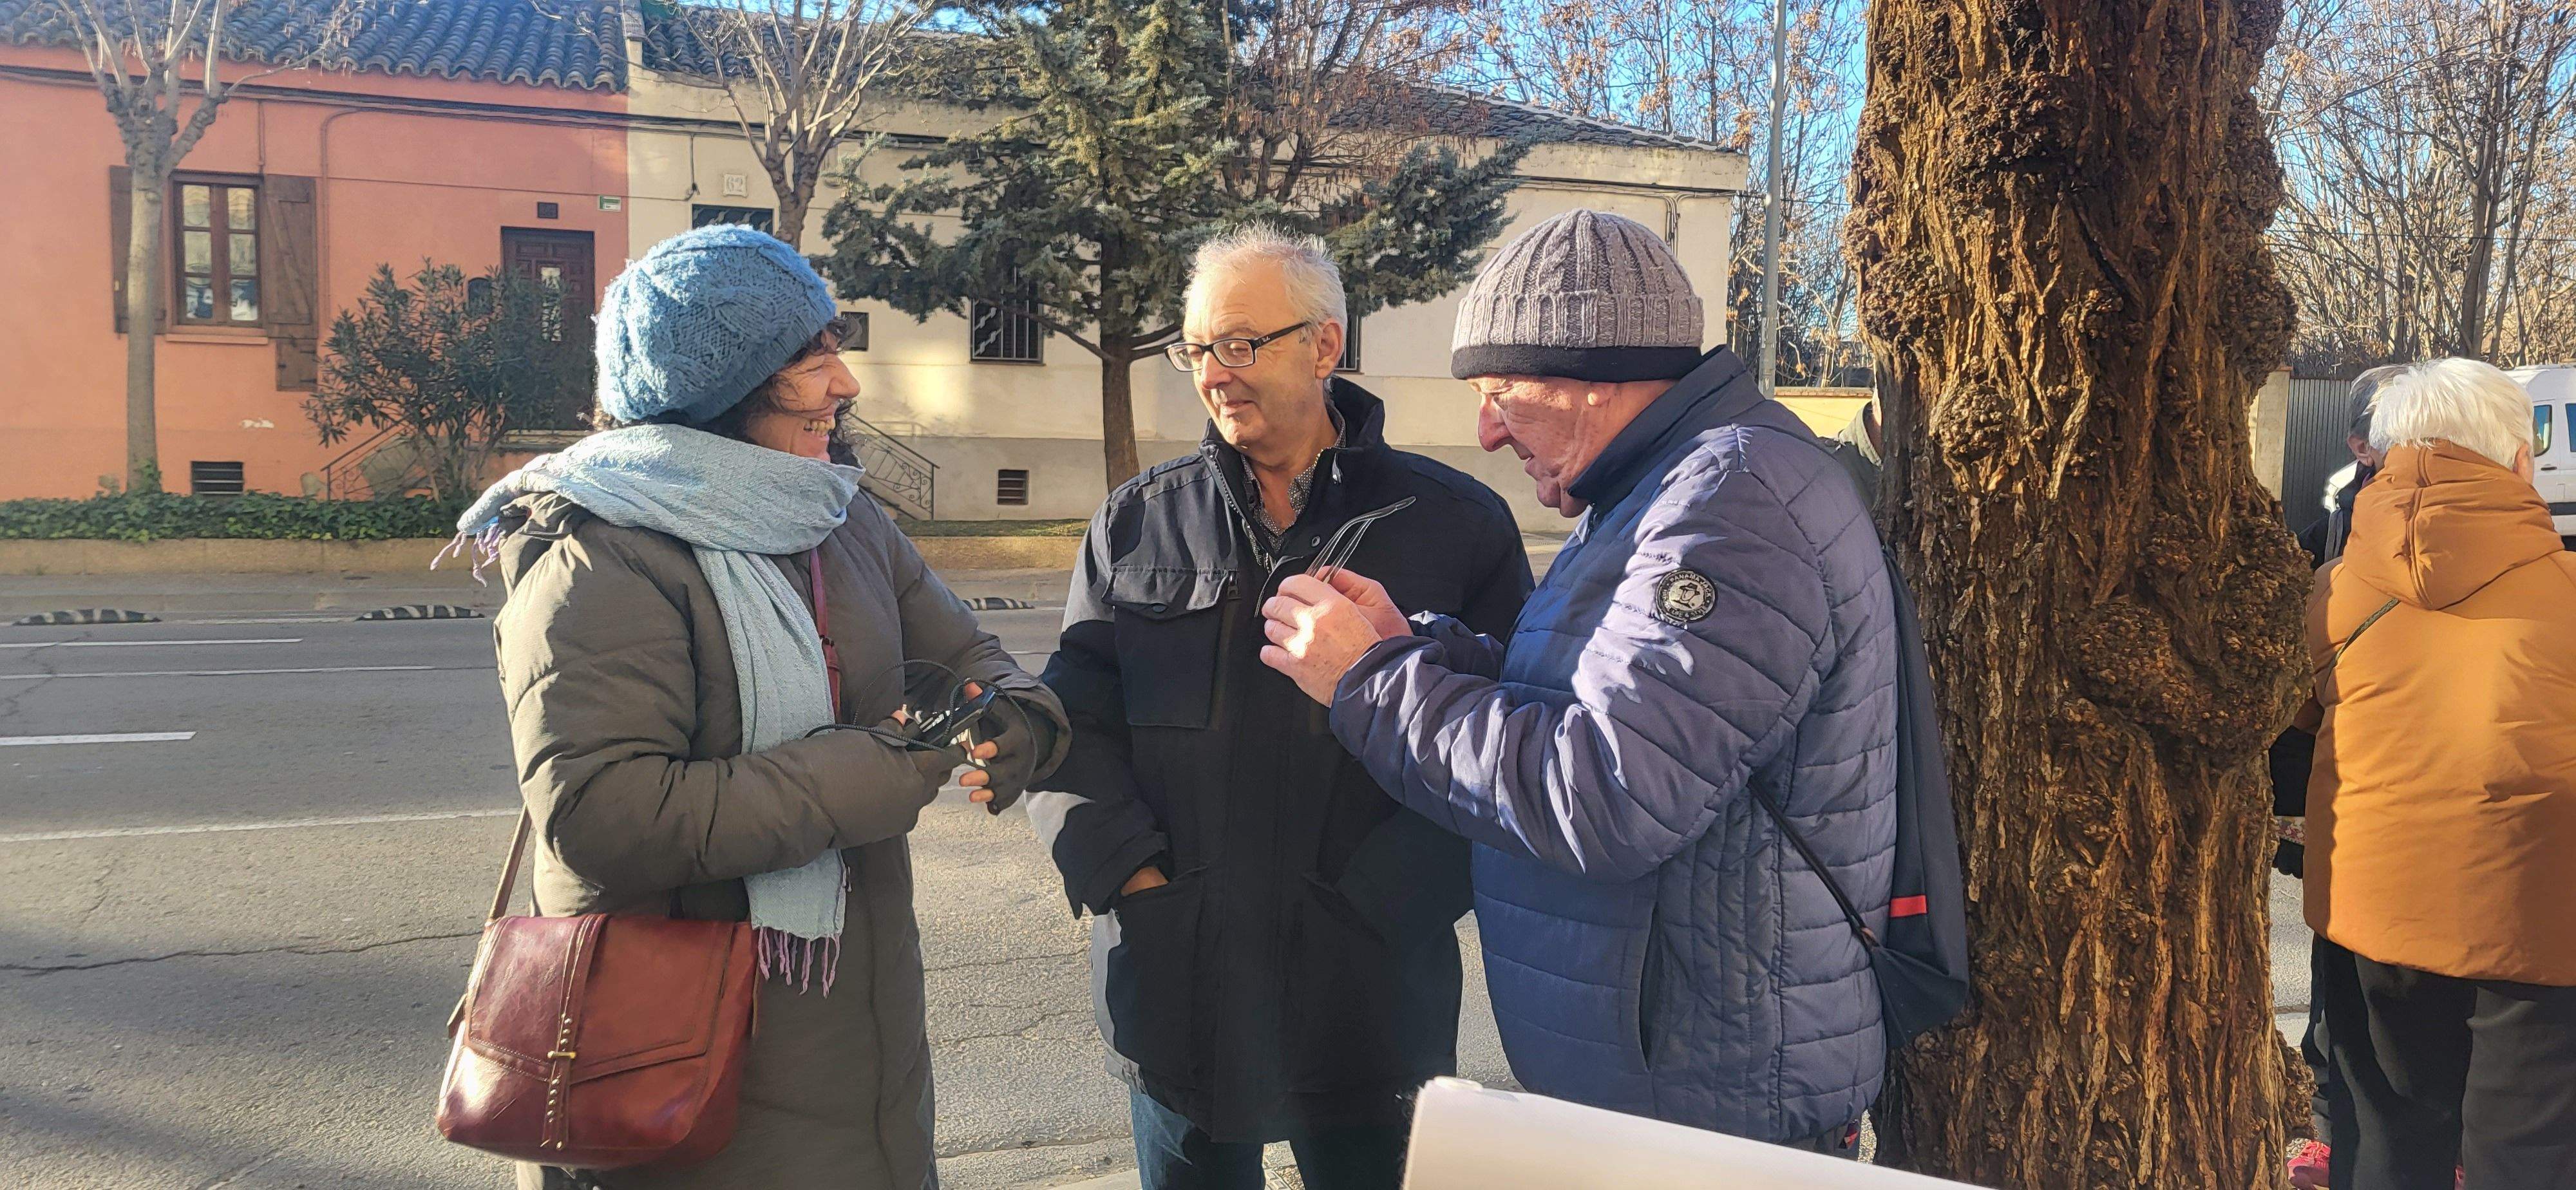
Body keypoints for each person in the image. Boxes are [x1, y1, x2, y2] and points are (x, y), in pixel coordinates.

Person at [1258, 209, 1898, 1153]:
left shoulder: (1730, 504)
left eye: (1498, 390)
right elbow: (1595, 704)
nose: (1483, 431)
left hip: (1705, 1123)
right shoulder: (1663, 489)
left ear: (1590, 379)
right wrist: (1415, 650)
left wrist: (1374, 680)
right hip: (1664, 1098)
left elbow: (1608, 794)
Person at [464, 225, 1069, 1189]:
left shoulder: (837, 516)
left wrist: (1018, 723)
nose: (846, 382)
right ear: (723, 383)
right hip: (664, 1070)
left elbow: (971, 659)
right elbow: (602, 816)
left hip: (855, 1047)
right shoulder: (597, 551)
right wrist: (883, 770)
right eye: (809, 356)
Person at [1027, 225, 1531, 1190]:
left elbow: (1503, 749)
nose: (1214, 374)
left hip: (1369, 1005)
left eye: (1242, 344)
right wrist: (1132, 881)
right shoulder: (1135, 522)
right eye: (1198, 350)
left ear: (1326, 347)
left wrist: (1381, 909)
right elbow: (1072, 728)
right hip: (1175, 995)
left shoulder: (1455, 526)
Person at [2299, 357, 2576, 1190]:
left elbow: (2301, 716)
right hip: (2537, 925)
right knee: (2523, 1158)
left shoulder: (2332, 591)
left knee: (2386, 1145)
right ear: (2521, 465)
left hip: (2368, 909)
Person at [2272, 361, 2402, 1189]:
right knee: (2340, 988)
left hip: (2394, 803)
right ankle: (2330, 1127)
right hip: (2350, 802)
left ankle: (2350, 1134)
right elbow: (2300, 691)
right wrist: (2292, 812)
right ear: (2358, 442)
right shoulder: (2336, 531)